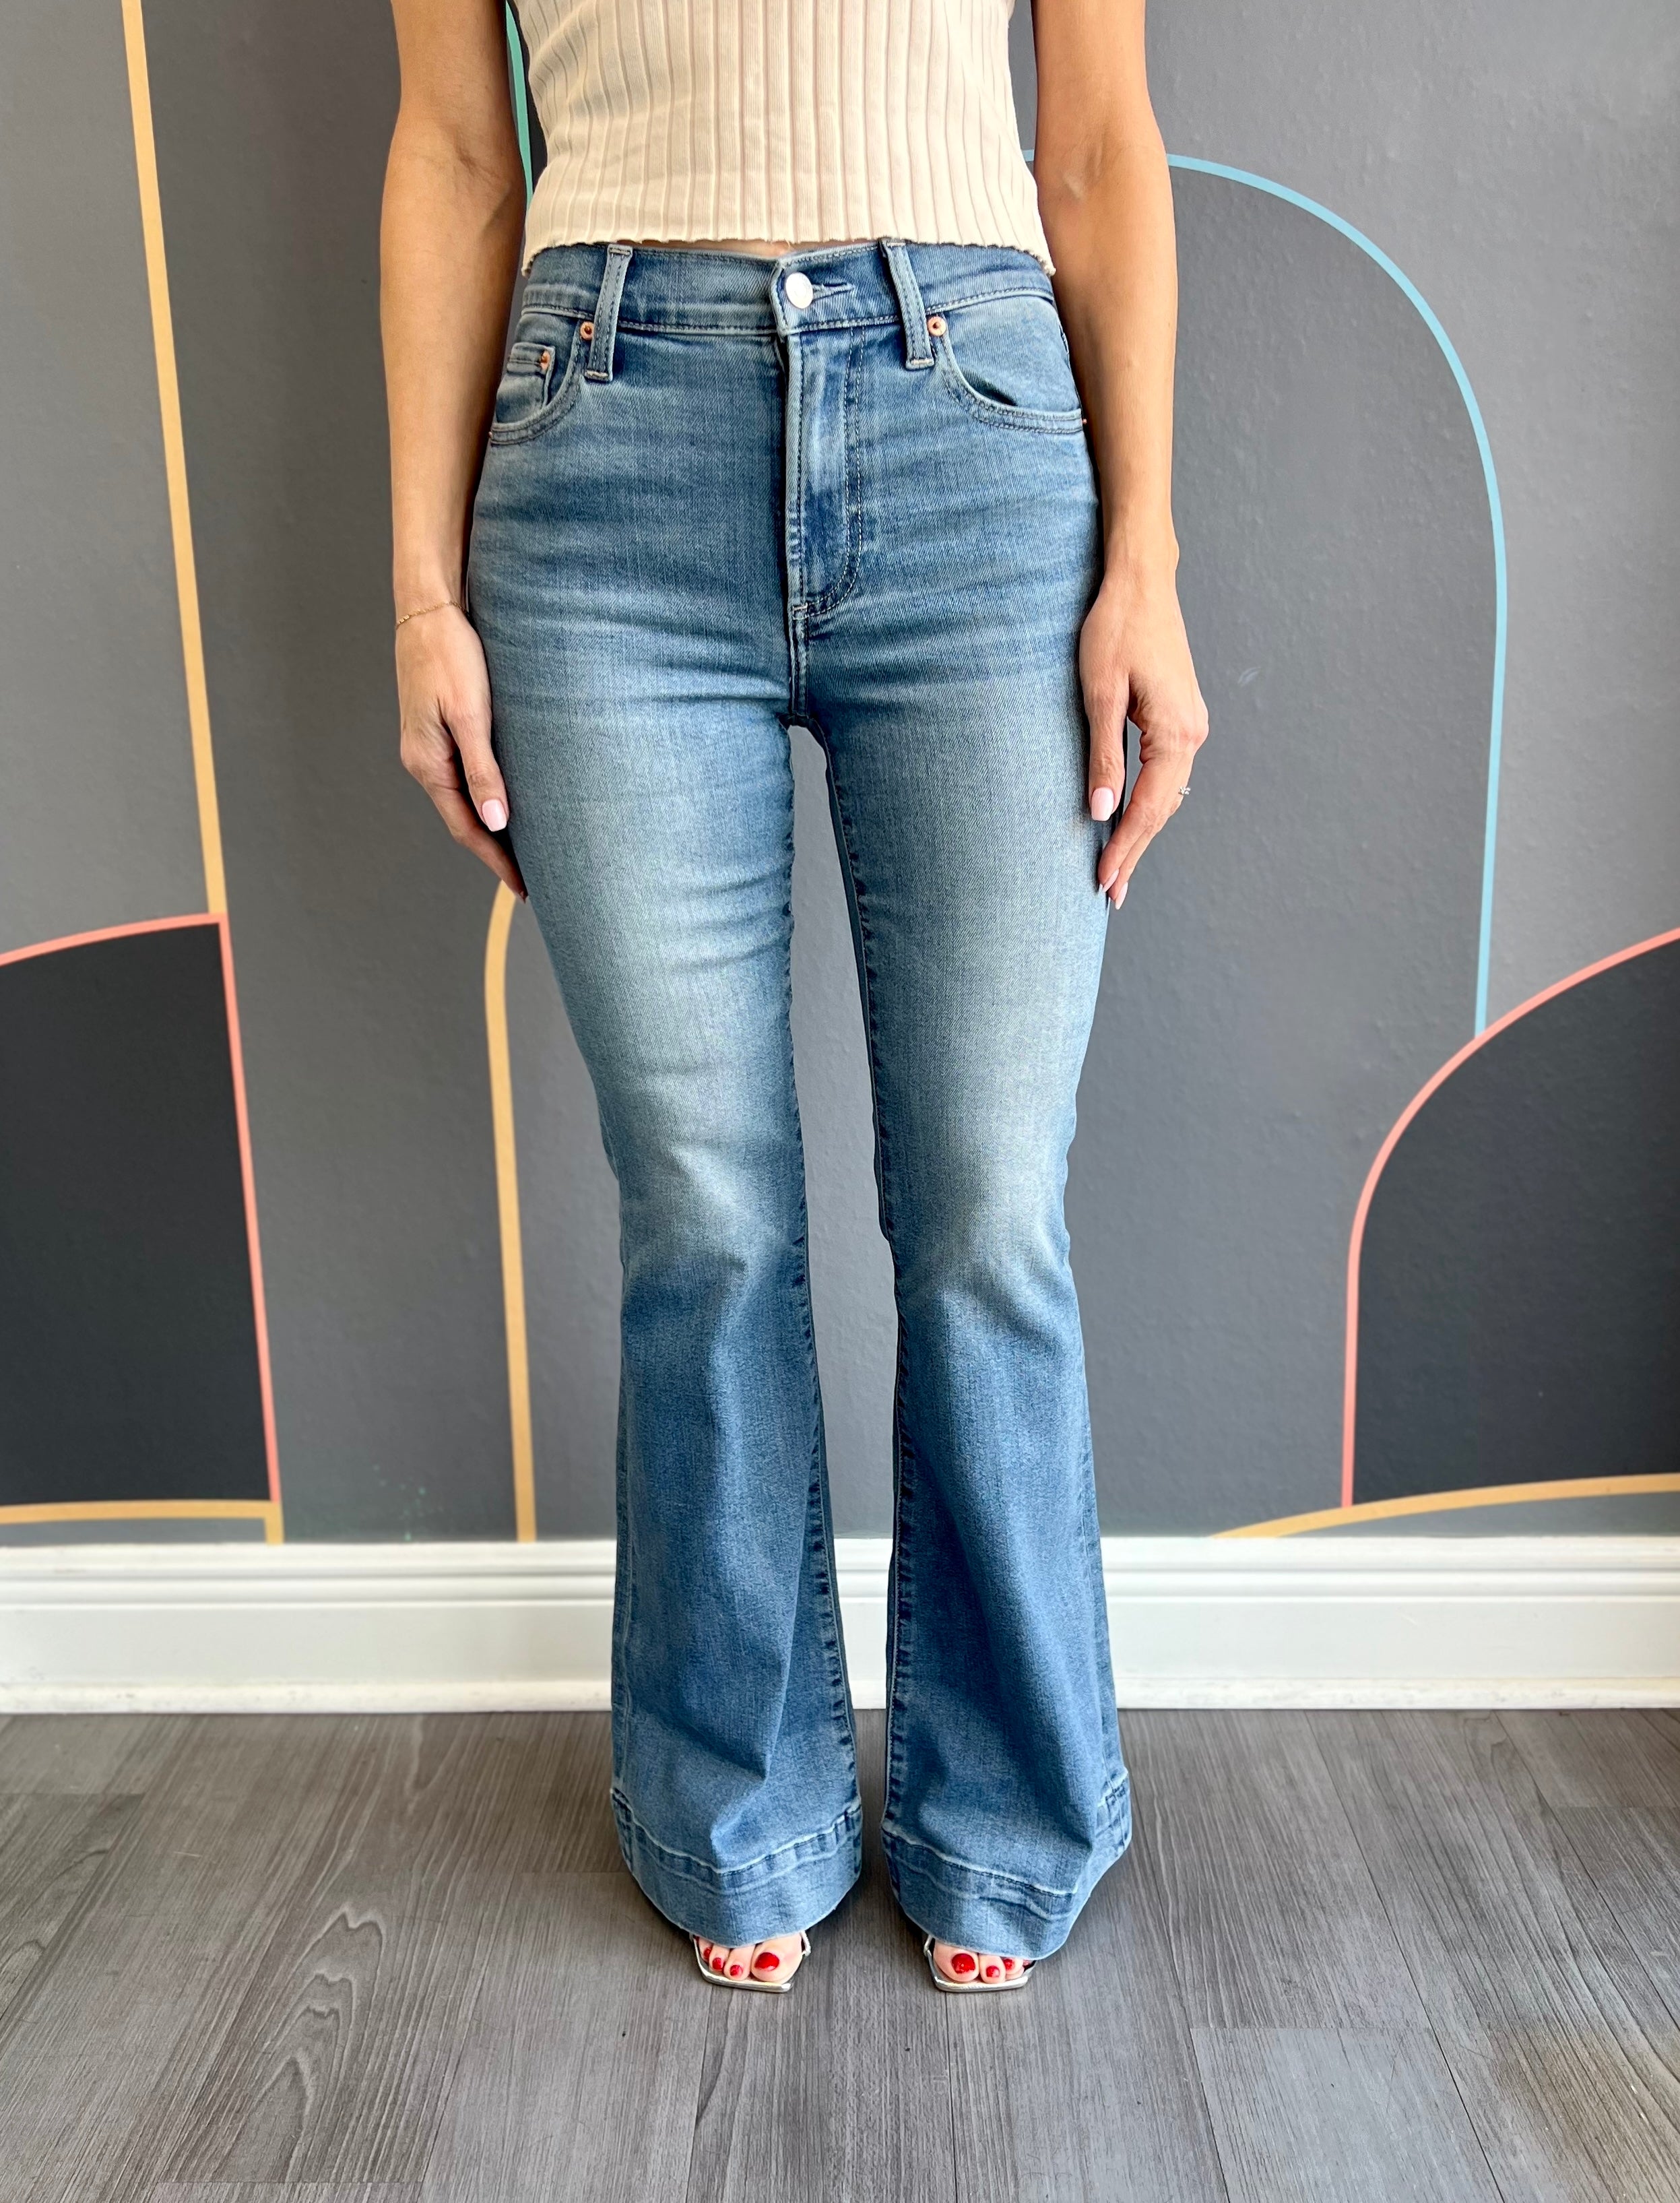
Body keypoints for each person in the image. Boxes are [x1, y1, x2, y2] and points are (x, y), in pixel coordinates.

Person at [380, 0, 1206, 1993]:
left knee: (990, 1201)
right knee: (707, 1210)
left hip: (974, 432)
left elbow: (1098, 146)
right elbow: (457, 154)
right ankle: (736, 1804)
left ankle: (1005, 1810)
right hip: (601, 450)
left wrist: (1150, 560)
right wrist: (419, 593)